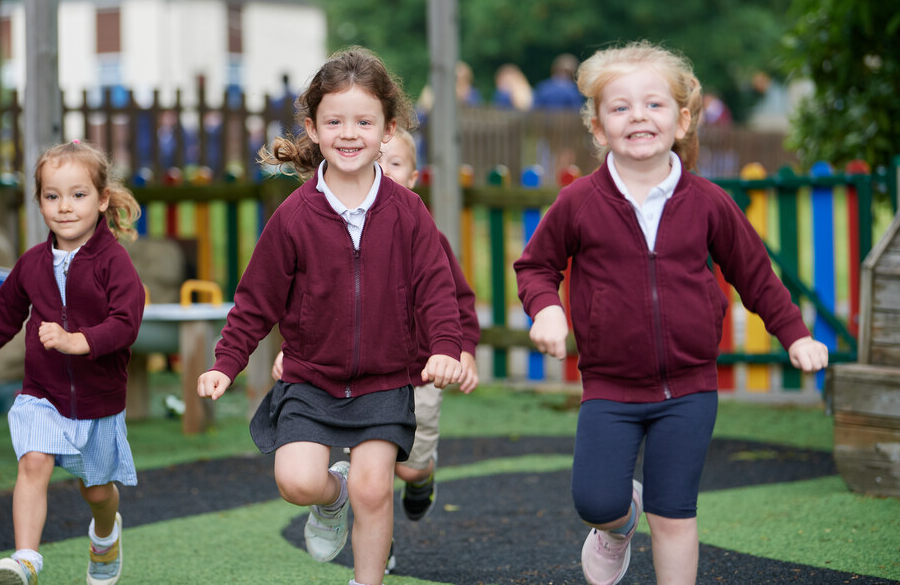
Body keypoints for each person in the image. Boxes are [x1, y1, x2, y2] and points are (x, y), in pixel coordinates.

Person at [513, 41, 829, 585]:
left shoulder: (708, 202)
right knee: (596, 500)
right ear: (597, 127)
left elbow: (754, 275)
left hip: (689, 388)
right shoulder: (580, 202)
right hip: (610, 386)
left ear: (682, 120)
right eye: (621, 107)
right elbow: (535, 267)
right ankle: (618, 524)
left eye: (654, 104)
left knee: (675, 514)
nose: (638, 116)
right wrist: (546, 311)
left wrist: (794, 333)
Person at [197, 46, 465, 585]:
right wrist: (226, 362)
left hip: (386, 380)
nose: (349, 133)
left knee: (375, 487)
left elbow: (436, 287)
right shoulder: (294, 217)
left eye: (364, 121)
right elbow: (256, 299)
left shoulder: (408, 211)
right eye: (334, 121)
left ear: (388, 130)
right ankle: (332, 494)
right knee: (297, 481)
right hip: (311, 379)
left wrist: (445, 347)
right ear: (313, 129)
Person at [270, 127, 481, 574]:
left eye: (397, 163)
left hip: (422, 372)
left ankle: (423, 475)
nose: (385, 171)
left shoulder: (420, 229)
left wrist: (462, 350)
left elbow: (455, 299)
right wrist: (296, 349)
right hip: (349, 376)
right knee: (371, 481)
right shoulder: (321, 224)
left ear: (415, 175)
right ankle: (377, 555)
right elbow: (304, 299)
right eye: (379, 162)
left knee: (406, 471)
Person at [0, 139, 145, 585]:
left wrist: (77, 341)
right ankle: (26, 559)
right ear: (39, 203)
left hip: (98, 401)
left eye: (78, 194)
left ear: (102, 199)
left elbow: (126, 324)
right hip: (42, 392)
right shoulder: (31, 264)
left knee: (97, 492)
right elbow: (1, 319)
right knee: (33, 462)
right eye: (52, 196)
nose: (64, 207)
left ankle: (105, 537)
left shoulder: (115, 262)